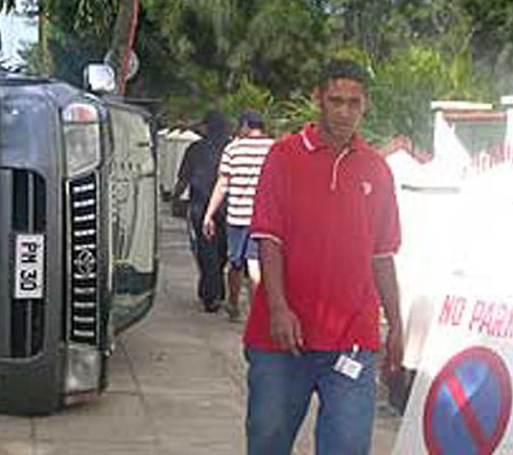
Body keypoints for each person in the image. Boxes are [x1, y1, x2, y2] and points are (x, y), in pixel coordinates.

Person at [244, 59, 404, 455]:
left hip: (352, 339)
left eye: (354, 102)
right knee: (267, 442)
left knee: (348, 447)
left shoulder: (377, 170)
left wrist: (397, 324)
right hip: (282, 339)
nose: (344, 112)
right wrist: (279, 308)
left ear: (365, 104)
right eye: (336, 101)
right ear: (319, 99)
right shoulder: (283, 156)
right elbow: (269, 238)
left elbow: (382, 254)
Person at [202, 111, 274, 321]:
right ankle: (258, 311)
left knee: (235, 263)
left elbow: (223, 183)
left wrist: (209, 214)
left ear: (245, 126)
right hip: (263, 217)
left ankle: (233, 305)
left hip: (236, 217)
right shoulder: (274, 148)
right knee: (255, 262)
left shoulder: (233, 148)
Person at [171, 111, 229, 312]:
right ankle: (216, 289)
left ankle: (211, 294)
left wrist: (175, 197)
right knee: (221, 252)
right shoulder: (231, 148)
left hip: (201, 207)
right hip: (227, 207)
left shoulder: (195, 149)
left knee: (206, 251)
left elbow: (184, 178)